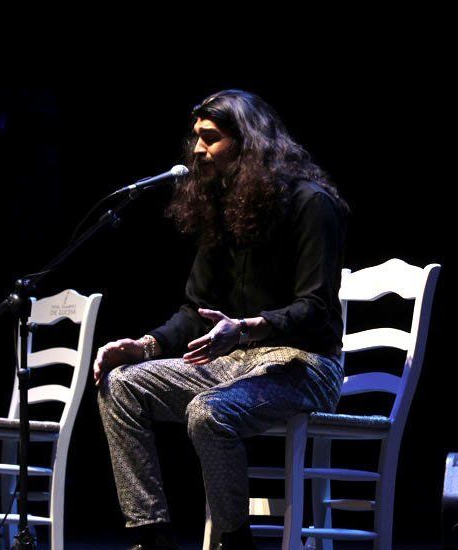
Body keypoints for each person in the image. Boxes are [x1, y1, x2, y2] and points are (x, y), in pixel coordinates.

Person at [94, 89, 348, 549]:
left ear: (246, 142)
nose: (196, 150)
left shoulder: (312, 204)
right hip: (236, 364)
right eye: (195, 138)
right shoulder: (223, 209)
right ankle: (151, 535)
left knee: (207, 411)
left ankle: (234, 539)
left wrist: (247, 327)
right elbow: (195, 310)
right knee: (121, 383)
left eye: (209, 138)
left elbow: (316, 307)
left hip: (305, 366)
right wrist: (145, 345)